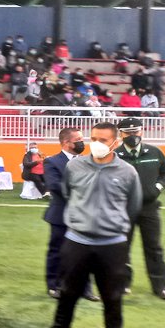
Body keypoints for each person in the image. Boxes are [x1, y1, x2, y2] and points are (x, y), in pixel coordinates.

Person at [39, 122, 142, 328]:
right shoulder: (75, 166)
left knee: (112, 296)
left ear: (115, 142)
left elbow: (134, 205)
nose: (96, 143)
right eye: (93, 138)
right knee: (67, 293)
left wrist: (114, 226)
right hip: (77, 241)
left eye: (103, 140)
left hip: (112, 244)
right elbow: (66, 193)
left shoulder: (127, 172)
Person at [114, 117, 165, 300]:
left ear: (142, 132)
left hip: (149, 208)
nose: (133, 135)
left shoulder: (154, 152)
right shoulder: (115, 155)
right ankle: (123, 284)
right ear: (121, 134)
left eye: (136, 132)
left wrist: (157, 187)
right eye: (128, 132)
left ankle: (160, 287)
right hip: (123, 209)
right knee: (122, 247)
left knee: (154, 247)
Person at [42, 128, 97, 300]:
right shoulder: (52, 162)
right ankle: (55, 286)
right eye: (78, 139)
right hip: (61, 215)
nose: (82, 142)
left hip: (84, 215)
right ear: (66, 142)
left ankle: (85, 288)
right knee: (58, 251)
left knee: (85, 252)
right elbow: (55, 185)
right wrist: (81, 189)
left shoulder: (89, 161)